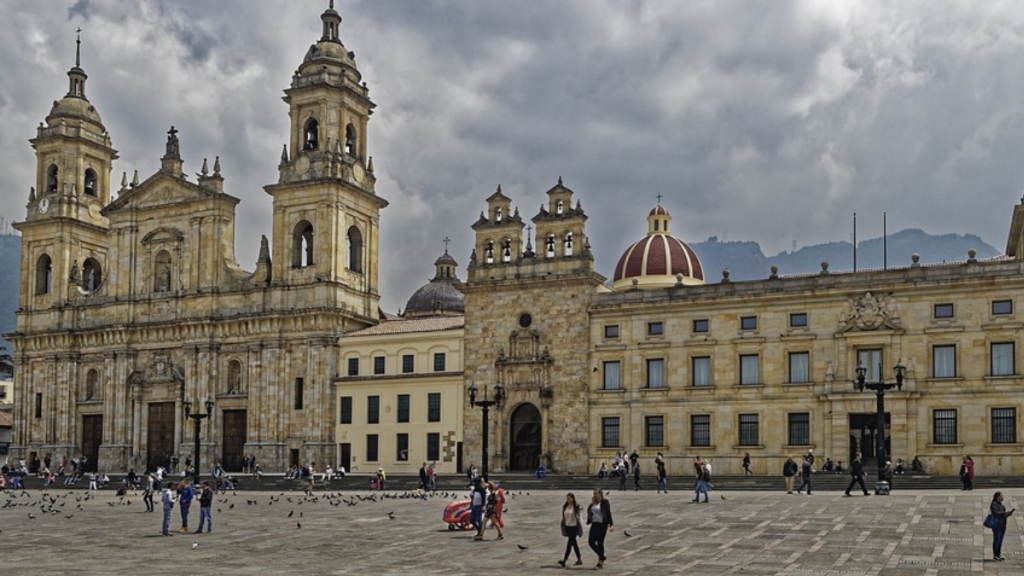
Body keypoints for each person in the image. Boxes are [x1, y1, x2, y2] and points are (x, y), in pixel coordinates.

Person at [586, 488, 614, 569]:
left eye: (596, 493)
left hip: (602, 524)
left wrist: (611, 524)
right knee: (591, 542)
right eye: (594, 493)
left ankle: (600, 563)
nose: (595, 495)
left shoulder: (605, 502)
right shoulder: (593, 503)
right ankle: (602, 556)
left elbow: (608, 513)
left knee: (600, 542)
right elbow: (590, 511)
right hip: (594, 524)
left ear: (600, 494)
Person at [559, 492, 584, 567]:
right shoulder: (565, 506)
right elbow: (564, 516)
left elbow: (580, 513)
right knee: (573, 543)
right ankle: (579, 559)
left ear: (573, 499)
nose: (568, 500)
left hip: (574, 527)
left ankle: (564, 560)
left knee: (570, 544)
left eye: (569, 498)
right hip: (567, 526)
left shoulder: (575, 506)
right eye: (567, 498)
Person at [989, 491, 1014, 561]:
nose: (1003, 497)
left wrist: (1008, 514)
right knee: (997, 540)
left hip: (1002, 524)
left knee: (1000, 540)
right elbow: (997, 514)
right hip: (997, 525)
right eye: (1001, 496)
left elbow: (1002, 515)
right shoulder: (994, 504)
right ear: (997, 497)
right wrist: (1005, 513)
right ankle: (996, 555)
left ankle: (998, 554)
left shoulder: (1000, 504)